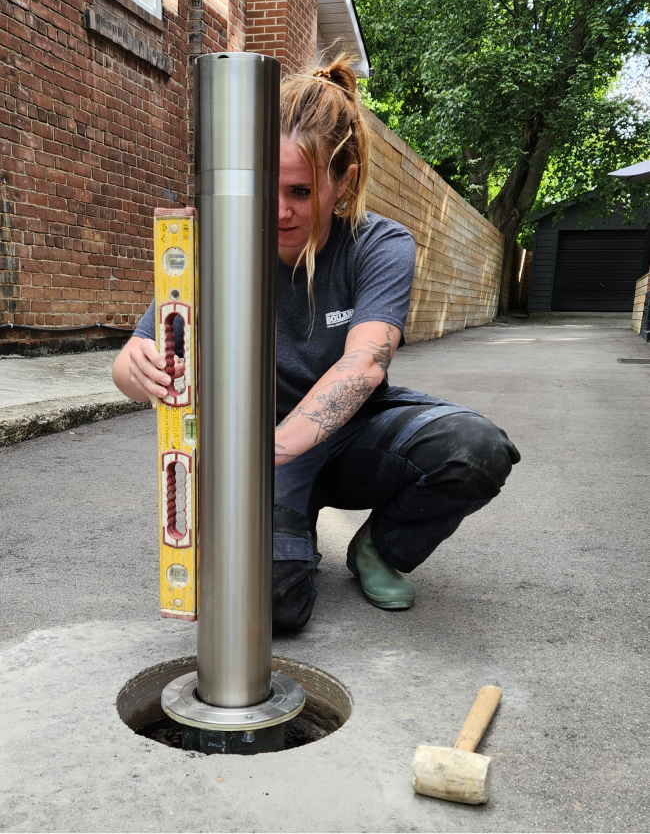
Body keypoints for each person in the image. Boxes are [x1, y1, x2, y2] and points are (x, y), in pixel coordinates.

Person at [113, 55, 520, 631]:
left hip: (348, 435)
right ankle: (290, 527)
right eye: (264, 187)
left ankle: (378, 550)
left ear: (343, 182)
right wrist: (136, 366)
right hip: (265, 448)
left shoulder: (379, 244)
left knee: (474, 449)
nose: (279, 211)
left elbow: (365, 361)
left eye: (300, 191)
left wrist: (275, 449)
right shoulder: (214, 245)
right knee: (271, 610)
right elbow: (137, 354)